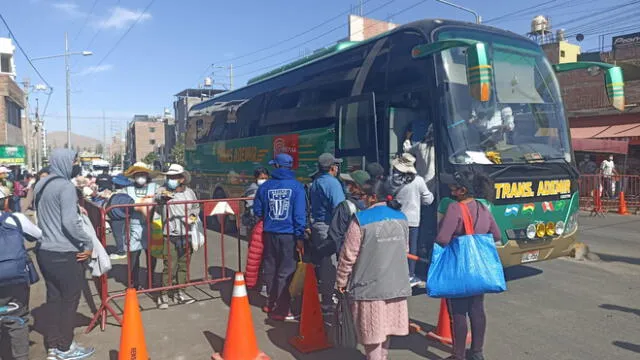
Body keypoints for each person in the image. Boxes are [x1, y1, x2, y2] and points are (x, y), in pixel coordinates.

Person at [336, 179, 411, 360]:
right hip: (396, 285)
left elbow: (348, 256)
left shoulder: (360, 220)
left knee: (372, 334)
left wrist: (341, 281)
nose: (362, 199)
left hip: (368, 287)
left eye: (363, 196)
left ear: (373, 197)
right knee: (386, 330)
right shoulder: (402, 218)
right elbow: (405, 249)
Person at [33, 149, 95, 360]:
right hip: (64, 252)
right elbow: (69, 222)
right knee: (70, 300)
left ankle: (53, 346)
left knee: (54, 299)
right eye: (73, 161)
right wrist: (87, 241)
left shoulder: (41, 184)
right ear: (64, 162)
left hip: (44, 252)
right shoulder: (66, 187)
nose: (75, 164)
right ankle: (66, 347)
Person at [435, 170, 501, 360]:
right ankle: (477, 353)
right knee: (477, 308)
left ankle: (458, 355)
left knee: (458, 311)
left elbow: (442, 238)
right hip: (478, 267)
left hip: (459, 266)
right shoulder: (482, 207)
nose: (451, 189)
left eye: (454, 187)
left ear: (462, 190)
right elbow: (496, 235)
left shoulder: (455, 209)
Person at [253, 153, 307, 321]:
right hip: (289, 235)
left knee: (270, 268)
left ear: (276, 166)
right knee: (286, 271)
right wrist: (300, 236)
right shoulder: (297, 187)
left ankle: (270, 302)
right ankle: (282, 309)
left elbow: (257, 210)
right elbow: (299, 215)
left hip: (269, 234)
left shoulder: (265, 187)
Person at [0, 188, 42, 360]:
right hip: (14, 279)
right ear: (7, 202)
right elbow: (39, 235)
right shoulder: (15, 218)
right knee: (17, 319)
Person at [154, 164, 200, 309]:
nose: (170, 179)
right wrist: (163, 198)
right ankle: (164, 295)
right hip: (170, 235)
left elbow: (196, 207)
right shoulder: (163, 190)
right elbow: (157, 199)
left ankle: (180, 292)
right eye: (169, 177)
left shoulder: (190, 192)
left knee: (183, 265)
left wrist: (192, 217)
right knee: (170, 266)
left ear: (181, 179)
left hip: (187, 233)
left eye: (174, 177)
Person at [388, 153, 434, 287]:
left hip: (395, 218)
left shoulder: (391, 180)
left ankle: (396, 273)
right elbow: (428, 200)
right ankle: (410, 275)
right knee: (411, 248)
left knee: (395, 246)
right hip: (413, 220)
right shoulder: (418, 180)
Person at [309, 153, 346, 313]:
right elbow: (340, 208)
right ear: (332, 167)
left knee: (324, 262)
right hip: (329, 226)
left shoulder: (316, 181)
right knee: (330, 264)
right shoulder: (333, 183)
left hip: (318, 225)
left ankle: (326, 295)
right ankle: (328, 300)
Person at [123, 162, 160, 288]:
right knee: (133, 255)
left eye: (142, 174)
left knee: (151, 255)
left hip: (151, 225)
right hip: (134, 225)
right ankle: (134, 282)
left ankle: (150, 280)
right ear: (133, 176)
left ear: (147, 175)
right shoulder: (127, 190)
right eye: (137, 175)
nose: (140, 177)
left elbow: (161, 198)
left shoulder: (155, 188)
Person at [328, 170, 370, 256]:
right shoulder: (374, 204)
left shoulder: (345, 206)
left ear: (357, 186)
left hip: (349, 254)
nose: (347, 186)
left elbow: (335, 236)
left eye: (348, 183)